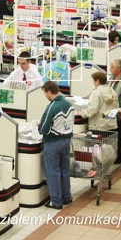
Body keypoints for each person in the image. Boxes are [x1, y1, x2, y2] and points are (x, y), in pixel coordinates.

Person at [38, 81, 74, 209]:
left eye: (45, 94)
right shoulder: (69, 104)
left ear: (49, 92)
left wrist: (39, 127)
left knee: (53, 172)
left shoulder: (52, 107)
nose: (45, 97)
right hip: (66, 140)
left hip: (52, 142)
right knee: (64, 169)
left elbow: (44, 128)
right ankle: (66, 197)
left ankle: (56, 201)